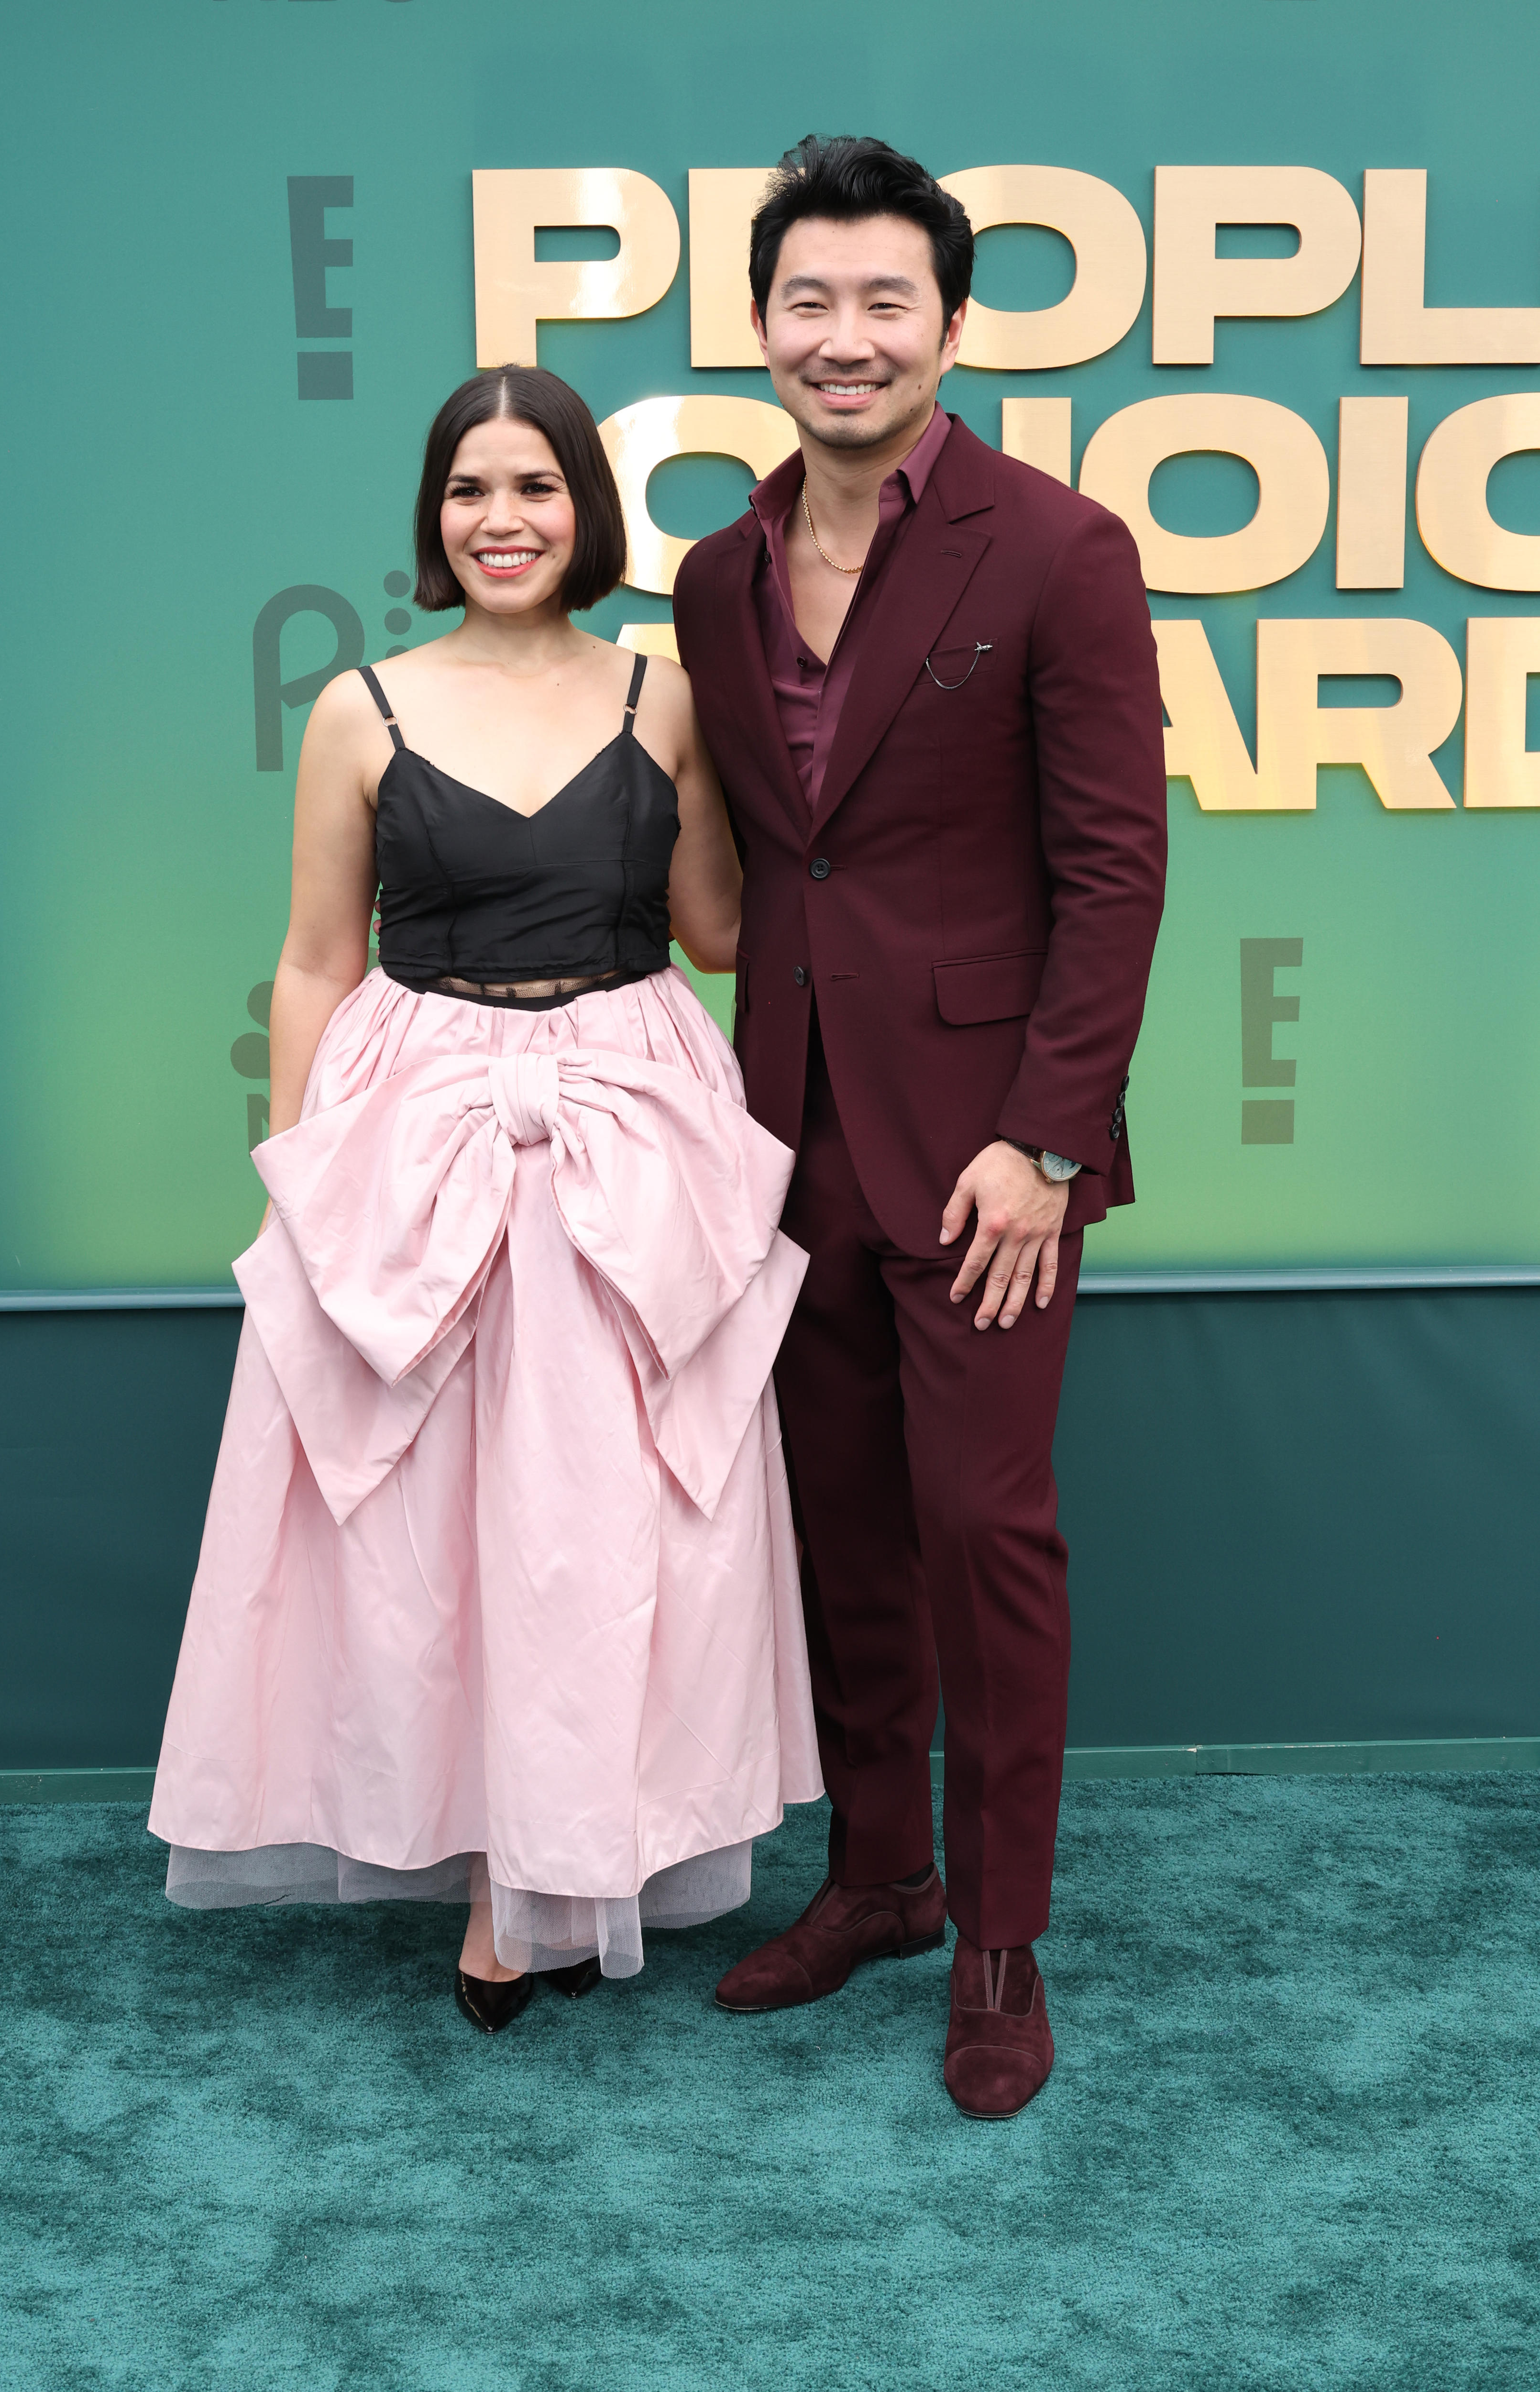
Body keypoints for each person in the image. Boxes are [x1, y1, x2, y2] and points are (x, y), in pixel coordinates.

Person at [149, 367, 821, 2032]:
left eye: (534, 487)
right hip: (416, 1128)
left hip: (626, 1113)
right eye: (469, 489)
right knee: (433, 1525)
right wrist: (305, 1189)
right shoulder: (358, 708)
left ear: (587, 511)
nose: (501, 518)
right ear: (433, 517)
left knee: (604, 1519)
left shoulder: (665, 693)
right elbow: (314, 961)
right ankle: (483, 1867)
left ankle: (569, 1856)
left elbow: (724, 932)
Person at [672, 137, 1167, 2117]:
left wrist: (1047, 1141)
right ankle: (879, 1875)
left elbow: (1116, 870)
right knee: (845, 1539)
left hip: (987, 1162)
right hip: (781, 1135)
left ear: (949, 326)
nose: (845, 335)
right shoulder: (717, 572)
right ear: (765, 326)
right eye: (810, 300)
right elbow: (750, 870)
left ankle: (997, 1936)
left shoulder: (1056, 548)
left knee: (986, 1534)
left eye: (887, 301)